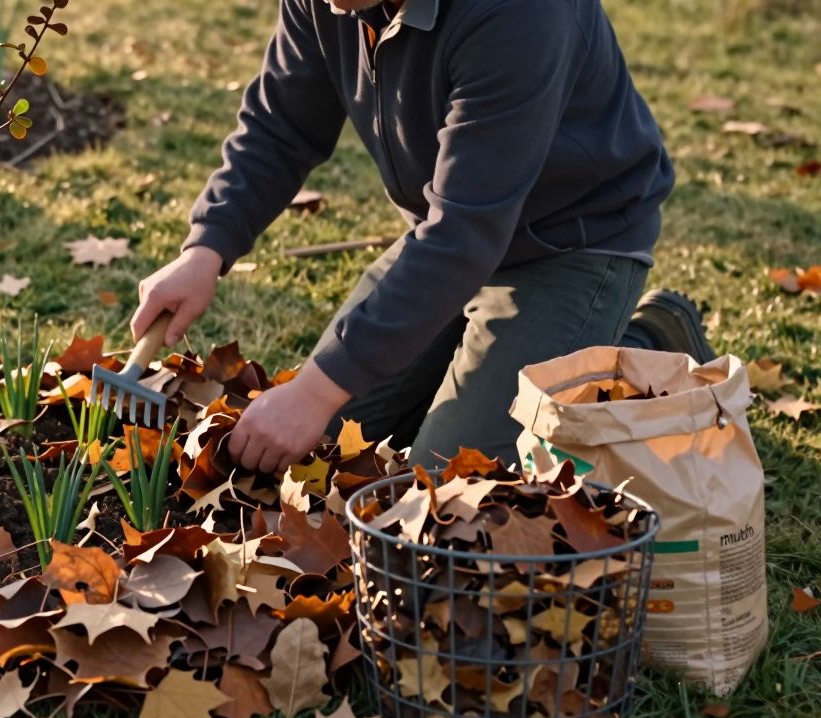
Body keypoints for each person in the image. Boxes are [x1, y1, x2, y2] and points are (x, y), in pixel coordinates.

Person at [130, 0, 714, 474]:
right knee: (332, 447)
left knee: (452, 491)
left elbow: (465, 232)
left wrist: (313, 391)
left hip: (570, 244)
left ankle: (646, 342)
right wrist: (205, 249)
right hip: (441, 241)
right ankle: (491, 360)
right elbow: (279, 127)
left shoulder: (520, 14)